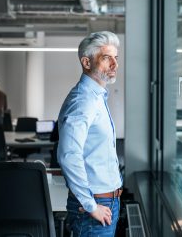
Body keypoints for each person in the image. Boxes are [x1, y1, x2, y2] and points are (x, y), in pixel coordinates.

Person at [57, 31, 122, 236]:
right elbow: (68, 155)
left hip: (107, 201)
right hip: (93, 205)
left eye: (116, 58)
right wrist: (91, 205)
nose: (114, 64)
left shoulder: (97, 97)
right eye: (106, 58)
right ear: (87, 62)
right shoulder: (83, 101)